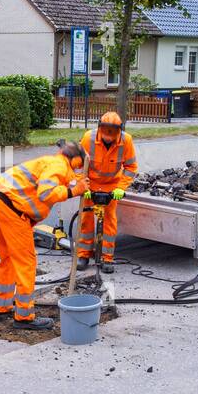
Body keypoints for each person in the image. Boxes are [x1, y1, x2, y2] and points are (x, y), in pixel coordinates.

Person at [0, 142, 87, 329]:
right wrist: (73, 191)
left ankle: (2, 307)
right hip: (11, 209)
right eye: (79, 164)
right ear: (75, 160)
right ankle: (24, 316)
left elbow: (58, 183)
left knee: (8, 259)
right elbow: (45, 193)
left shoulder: (50, 162)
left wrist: (76, 185)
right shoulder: (60, 166)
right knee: (26, 262)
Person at [77, 111, 138, 273]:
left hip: (112, 185)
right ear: (100, 129)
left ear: (119, 131)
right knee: (86, 219)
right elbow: (78, 165)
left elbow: (131, 167)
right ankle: (83, 254)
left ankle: (107, 258)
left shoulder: (126, 141)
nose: (108, 137)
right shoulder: (88, 138)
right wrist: (83, 185)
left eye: (112, 134)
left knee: (109, 222)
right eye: (105, 133)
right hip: (91, 183)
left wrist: (121, 188)